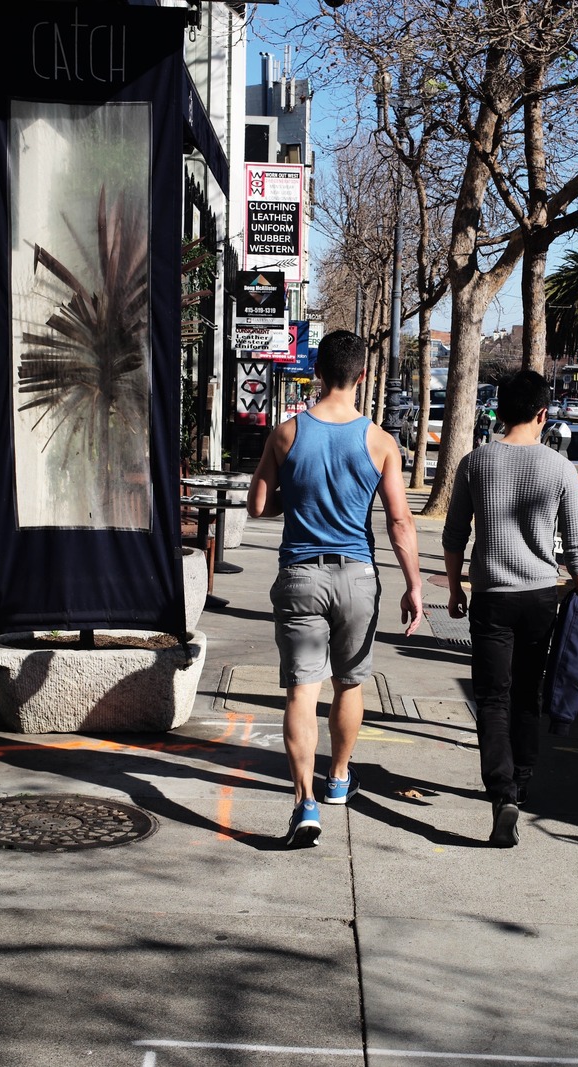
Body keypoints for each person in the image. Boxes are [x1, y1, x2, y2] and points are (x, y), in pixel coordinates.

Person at [247, 330, 424, 847]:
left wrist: (298, 498)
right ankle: (339, 778)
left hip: (300, 575)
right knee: (349, 683)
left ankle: (304, 803)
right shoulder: (381, 442)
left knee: (302, 691)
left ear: (317, 372)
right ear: (362, 376)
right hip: (357, 577)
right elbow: (399, 521)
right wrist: (414, 585)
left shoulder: (286, 434)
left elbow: (259, 506)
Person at [442, 370, 578, 847]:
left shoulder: (475, 463)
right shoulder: (561, 468)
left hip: (492, 597)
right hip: (541, 596)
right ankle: (522, 780)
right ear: (543, 414)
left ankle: (501, 790)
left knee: (492, 698)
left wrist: (455, 588)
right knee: (528, 692)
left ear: (500, 411)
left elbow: (454, 535)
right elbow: (577, 547)